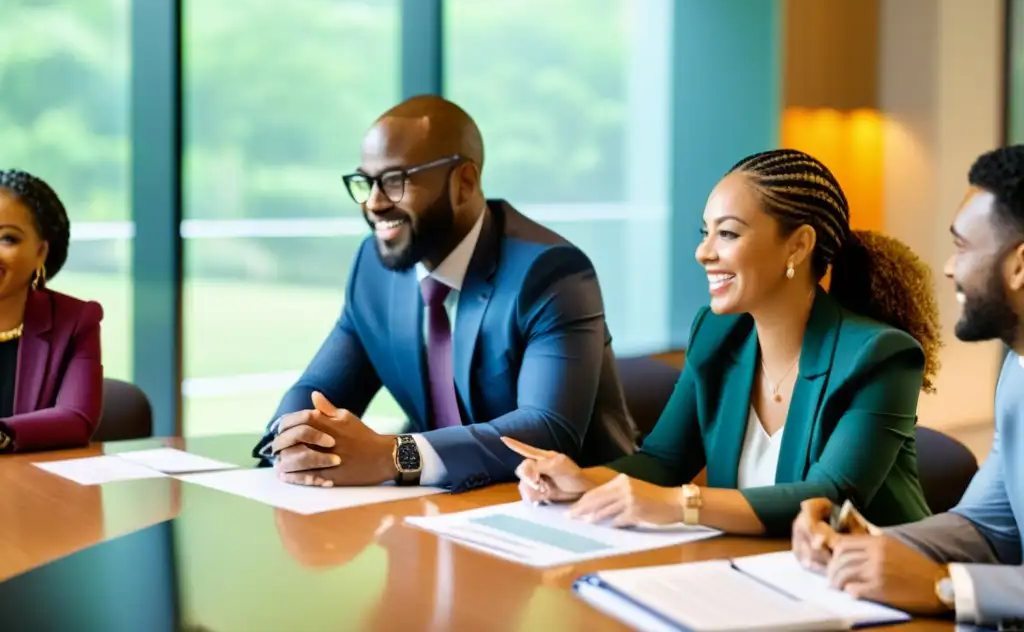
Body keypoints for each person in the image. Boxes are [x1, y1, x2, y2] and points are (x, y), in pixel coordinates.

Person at [507, 148, 941, 537]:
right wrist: (584, 479)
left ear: (798, 246)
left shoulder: (880, 355)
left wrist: (679, 504)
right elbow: (662, 461)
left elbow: (829, 497)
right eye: (705, 232)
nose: (704, 252)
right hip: (754, 574)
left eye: (728, 234)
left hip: (877, 592)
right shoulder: (718, 335)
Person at [254, 95, 637, 492]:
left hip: (574, 509)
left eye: (395, 181)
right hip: (438, 510)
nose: (374, 203)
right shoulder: (374, 267)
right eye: (365, 183)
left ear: (464, 183)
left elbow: (546, 431)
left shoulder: (551, 273)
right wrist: (292, 444)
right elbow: (317, 390)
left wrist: (392, 456)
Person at [792, 145, 1024, 626]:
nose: (948, 267)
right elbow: (987, 525)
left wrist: (945, 587)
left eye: (962, 247)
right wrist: (863, 544)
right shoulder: (1017, 368)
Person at [0, 170, 103, 452]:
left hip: (29, 487)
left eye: (7, 238)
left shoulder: (76, 321)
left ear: (41, 253)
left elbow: (76, 418)